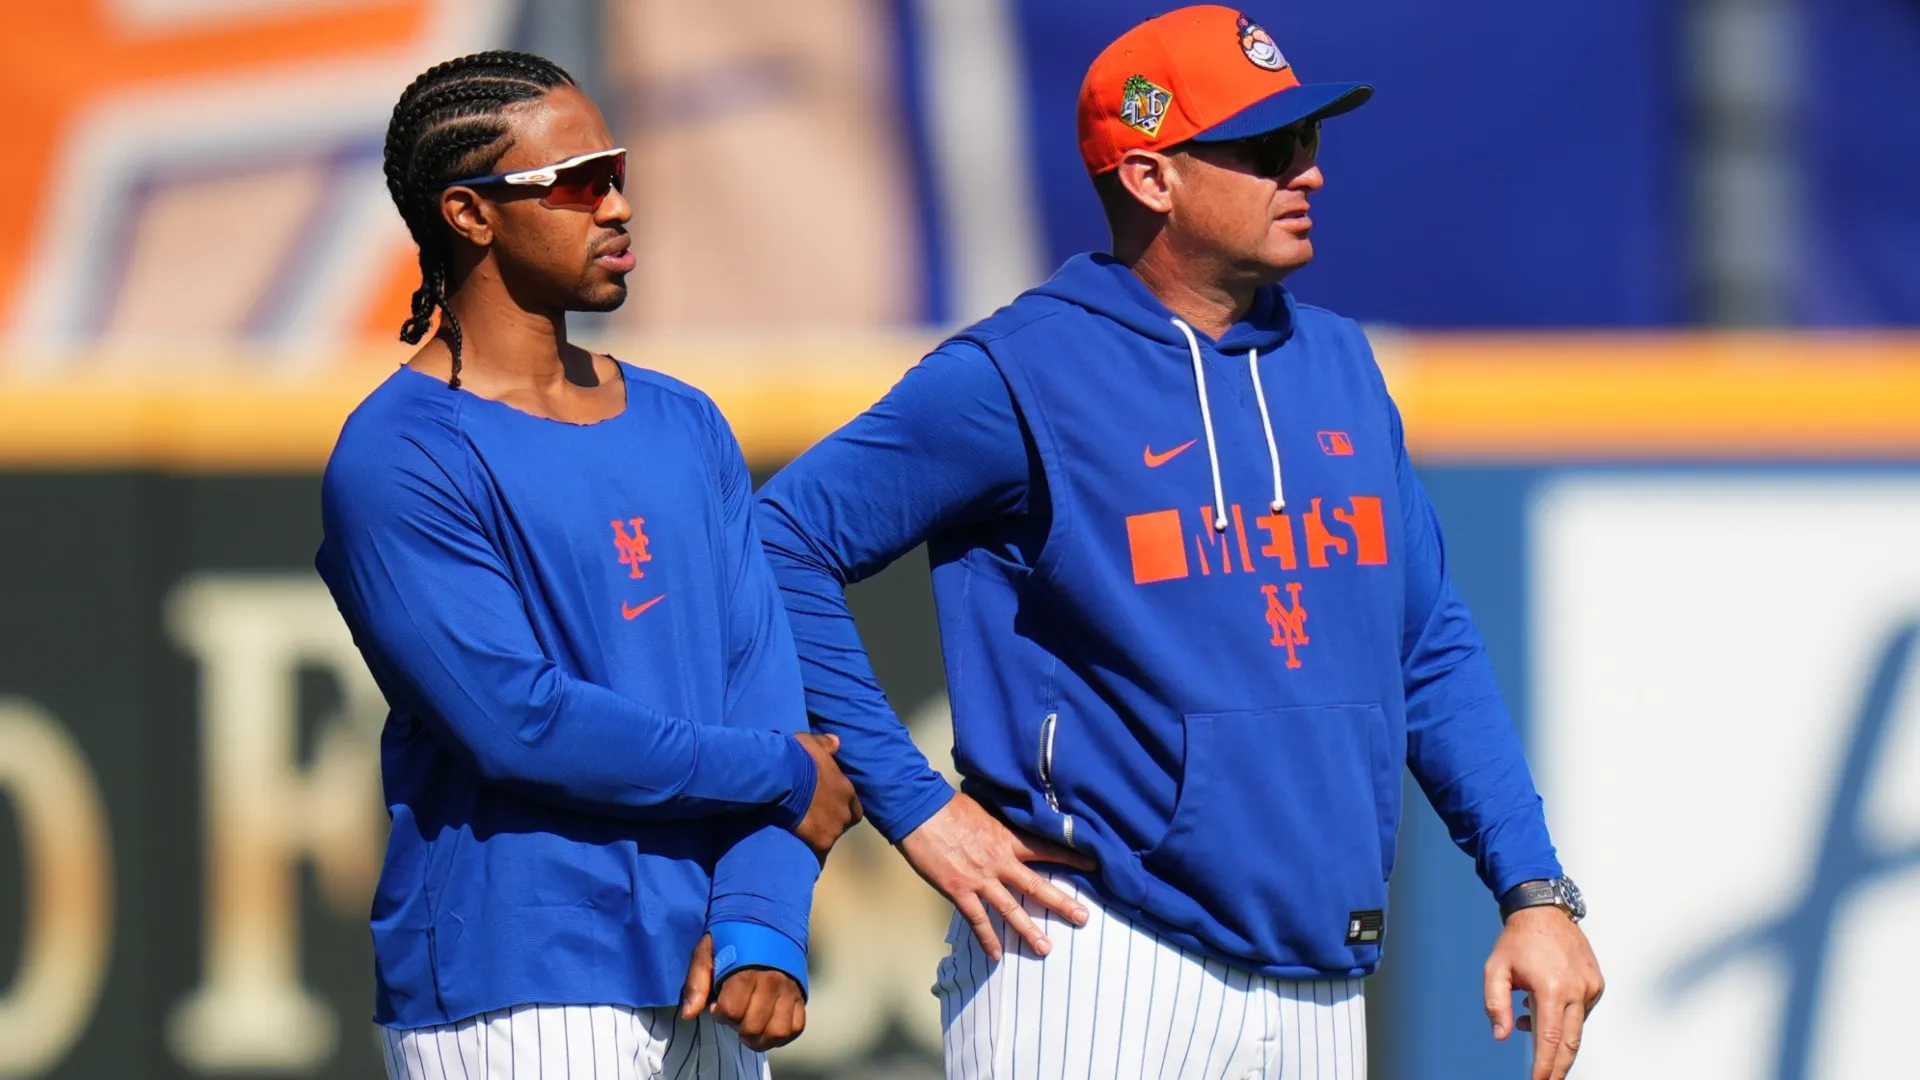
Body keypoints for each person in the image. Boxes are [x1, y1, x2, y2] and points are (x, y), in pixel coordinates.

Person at [754, 7, 1603, 1080]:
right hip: (1090, 954)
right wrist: (914, 805)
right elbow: (776, 543)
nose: (1309, 172)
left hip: (1319, 976)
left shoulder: (1340, 362)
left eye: (1308, 140)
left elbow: (1427, 644)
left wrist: (1534, 892)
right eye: (1265, 149)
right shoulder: (1020, 373)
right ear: (1152, 178)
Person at [316, 51, 861, 1079]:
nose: (615, 205)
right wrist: (779, 772)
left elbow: (767, 695)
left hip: (710, 972)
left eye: (617, 172)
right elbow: (522, 724)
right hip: (519, 986)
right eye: (575, 183)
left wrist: (760, 925)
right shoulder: (398, 454)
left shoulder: (685, 420)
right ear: (469, 216)